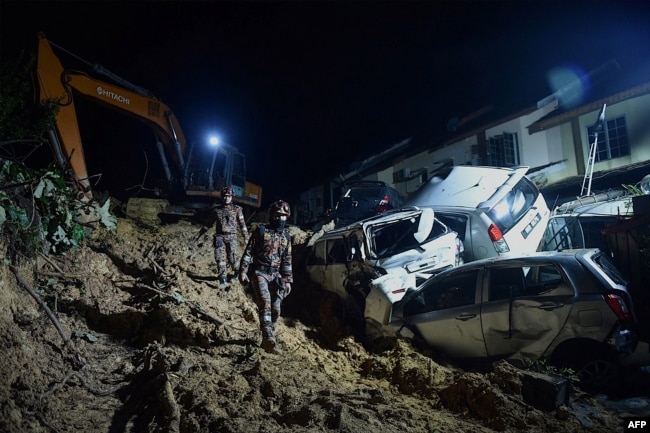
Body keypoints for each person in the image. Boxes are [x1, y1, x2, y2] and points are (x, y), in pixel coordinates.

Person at [239, 200, 293, 353]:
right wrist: (243, 271)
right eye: (277, 215)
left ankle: (270, 337)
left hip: (276, 276)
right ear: (272, 215)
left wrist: (288, 280)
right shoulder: (261, 231)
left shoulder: (287, 238)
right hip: (259, 273)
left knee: (276, 309)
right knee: (265, 302)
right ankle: (267, 337)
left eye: (283, 216)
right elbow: (249, 252)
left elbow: (287, 260)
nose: (280, 219)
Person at [212, 186, 249, 287]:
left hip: (231, 238)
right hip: (219, 237)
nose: (226, 198)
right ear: (222, 197)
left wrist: (246, 237)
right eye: (225, 196)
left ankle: (238, 273)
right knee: (220, 259)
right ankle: (222, 280)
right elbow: (208, 224)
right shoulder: (217, 210)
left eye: (229, 196)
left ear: (232, 197)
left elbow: (242, 224)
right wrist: (199, 235)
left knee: (232, 259)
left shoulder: (237, 209)